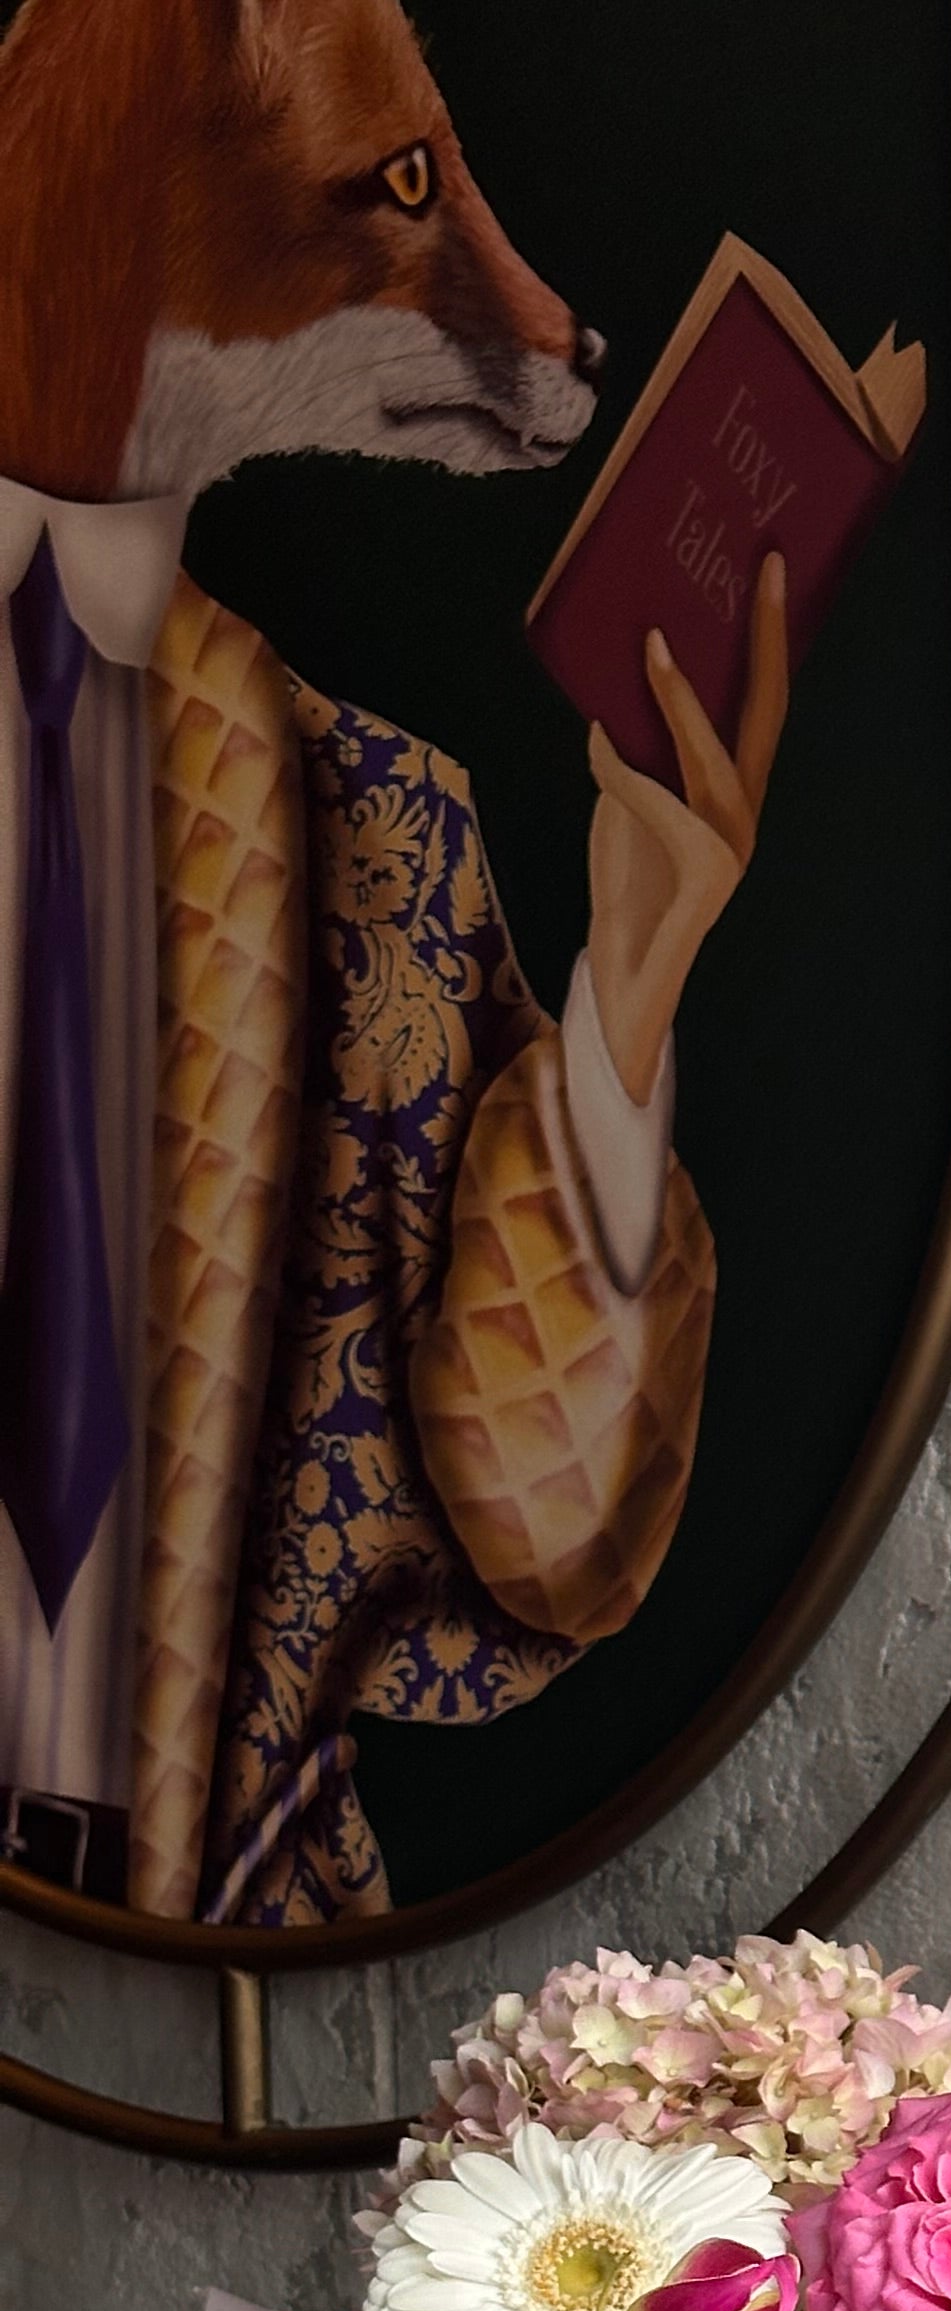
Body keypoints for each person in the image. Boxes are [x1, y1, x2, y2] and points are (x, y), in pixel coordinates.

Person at [0, 0, 781, 1918]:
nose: (542, 319)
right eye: (407, 191)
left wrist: (623, 1001)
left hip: (215, 1957)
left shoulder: (377, 831)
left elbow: (532, 1518)